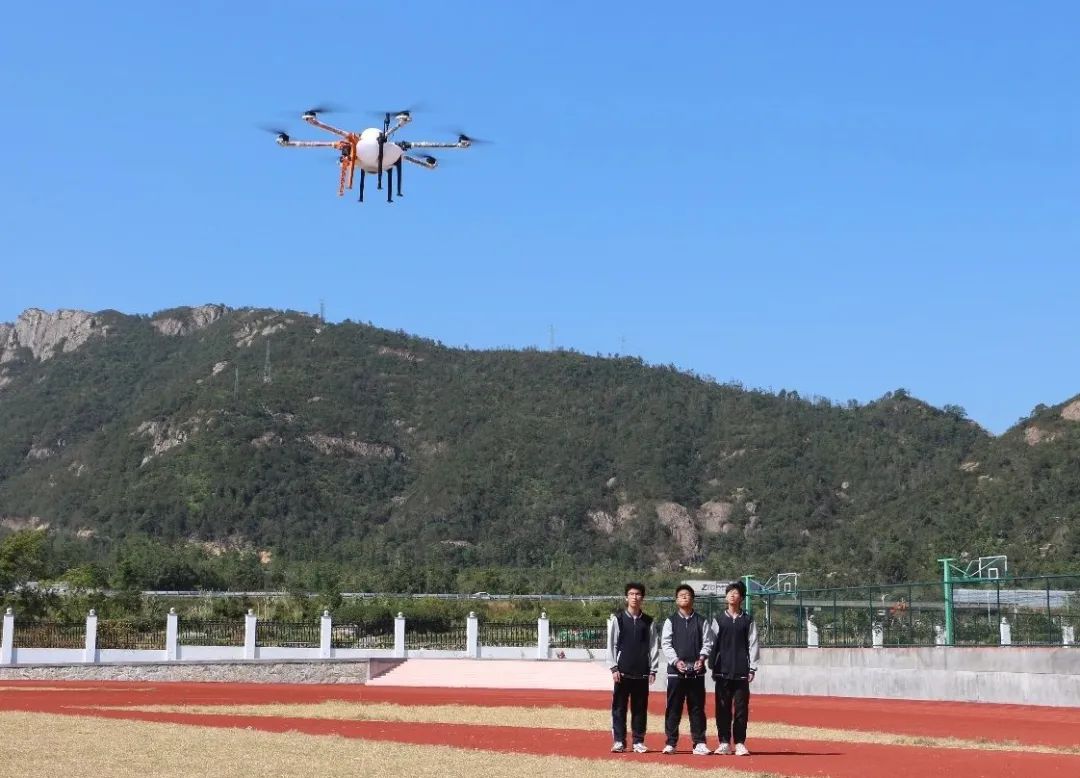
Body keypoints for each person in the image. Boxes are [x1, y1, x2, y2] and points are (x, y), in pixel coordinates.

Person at [660, 584, 714, 755]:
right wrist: (676, 661)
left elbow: (708, 642)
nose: (684, 597)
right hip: (675, 673)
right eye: (681, 595)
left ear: (693, 599)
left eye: (687, 595)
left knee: (697, 708)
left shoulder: (701, 621)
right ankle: (671, 743)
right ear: (676, 600)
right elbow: (666, 644)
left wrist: (702, 658)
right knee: (673, 707)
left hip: (697, 673)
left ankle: (699, 743)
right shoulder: (670, 621)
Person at [607, 582, 660, 753]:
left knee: (640, 709)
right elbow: (612, 645)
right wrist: (614, 667)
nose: (634, 597)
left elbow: (653, 646)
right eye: (631, 594)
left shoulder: (648, 621)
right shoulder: (618, 619)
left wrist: (653, 669)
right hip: (622, 672)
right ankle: (619, 741)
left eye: (638, 594)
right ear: (626, 597)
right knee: (619, 708)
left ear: (642, 598)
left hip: (642, 672)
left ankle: (638, 741)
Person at [708, 580, 759, 756]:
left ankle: (739, 743)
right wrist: (711, 664)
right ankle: (723, 742)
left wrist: (752, 667)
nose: (732, 595)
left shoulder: (748, 620)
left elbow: (753, 644)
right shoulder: (719, 619)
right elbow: (711, 643)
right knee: (722, 708)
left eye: (736, 593)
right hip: (722, 670)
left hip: (741, 671)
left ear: (742, 598)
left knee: (741, 708)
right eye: (729, 592)